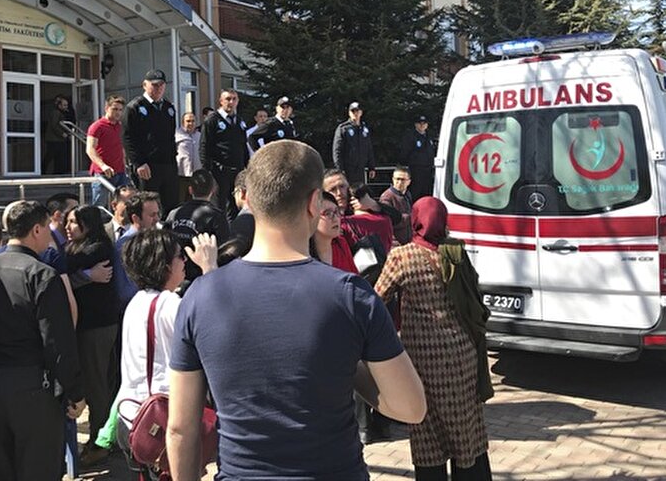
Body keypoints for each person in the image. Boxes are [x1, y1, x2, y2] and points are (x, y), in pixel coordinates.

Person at [167, 140, 427, 480]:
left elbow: (180, 429)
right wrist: (345, 362)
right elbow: (411, 407)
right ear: (314, 203)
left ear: (248, 200)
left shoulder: (199, 297)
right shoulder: (350, 296)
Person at [0, 200, 86, 481]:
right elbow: (57, 343)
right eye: (47, 228)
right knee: (38, 469)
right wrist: (74, 391)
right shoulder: (42, 275)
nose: (50, 235)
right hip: (33, 386)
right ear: (36, 230)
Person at [374, 197, 492, 481]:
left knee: (426, 428)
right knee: (466, 427)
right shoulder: (456, 252)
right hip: (463, 353)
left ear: (415, 220)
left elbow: (377, 299)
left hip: (423, 361)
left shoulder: (402, 257)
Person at [115, 230, 216, 476]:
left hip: (132, 416)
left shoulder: (136, 302)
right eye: (179, 256)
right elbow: (214, 330)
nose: (184, 261)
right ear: (164, 265)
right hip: (161, 422)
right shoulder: (171, 305)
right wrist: (210, 270)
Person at [64, 205, 122, 466]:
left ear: (87, 224)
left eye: (73, 222)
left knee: (96, 383)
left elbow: (64, 264)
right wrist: (86, 276)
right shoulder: (77, 247)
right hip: (87, 326)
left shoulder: (97, 248)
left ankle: (100, 442)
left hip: (97, 326)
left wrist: (80, 274)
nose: (68, 227)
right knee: (94, 381)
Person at [123, 69, 179, 214]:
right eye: (154, 85)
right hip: (147, 166)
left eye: (161, 85)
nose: (158, 88)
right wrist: (138, 162)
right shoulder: (134, 107)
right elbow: (128, 138)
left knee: (171, 206)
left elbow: (170, 136)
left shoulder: (169, 107)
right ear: (144, 85)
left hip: (168, 164)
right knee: (148, 206)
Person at [166, 169, 230, 281]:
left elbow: (164, 243)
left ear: (190, 190)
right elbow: (224, 250)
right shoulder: (217, 216)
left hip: (175, 274)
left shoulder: (174, 213)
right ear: (213, 190)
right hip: (203, 275)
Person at [200, 88, 248, 220]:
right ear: (221, 101)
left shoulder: (239, 121)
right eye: (228, 99)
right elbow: (204, 145)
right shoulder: (212, 120)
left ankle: (234, 230)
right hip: (219, 171)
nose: (231, 102)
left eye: (234, 99)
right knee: (219, 206)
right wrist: (207, 169)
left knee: (236, 205)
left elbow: (243, 145)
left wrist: (246, 165)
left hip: (237, 170)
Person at [323, 169, 401, 249]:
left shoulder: (360, 205)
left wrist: (373, 205)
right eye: (333, 189)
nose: (339, 193)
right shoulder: (322, 216)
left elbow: (397, 218)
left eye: (342, 186)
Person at [114, 191, 163, 309]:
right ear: (136, 218)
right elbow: (125, 292)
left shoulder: (157, 241)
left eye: (158, 214)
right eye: (152, 215)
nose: (157, 219)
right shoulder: (124, 246)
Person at [87, 95, 131, 209]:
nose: (118, 112)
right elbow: (90, 149)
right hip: (102, 172)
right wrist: (103, 165)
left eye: (120, 110)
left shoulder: (120, 127)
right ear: (106, 108)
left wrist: (125, 163)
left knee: (125, 204)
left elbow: (121, 147)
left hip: (120, 172)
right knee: (99, 206)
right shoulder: (97, 126)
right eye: (115, 109)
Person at [309, 191, 358, 274]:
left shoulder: (341, 243)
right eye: (328, 213)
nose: (335, 218)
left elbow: (355, 277)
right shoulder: (303, 253)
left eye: (336, 211)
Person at [333, 102, 376, 184]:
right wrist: (340, 169)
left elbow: (369, 148)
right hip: (347, 170)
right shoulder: (343, 128)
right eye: (353, 111)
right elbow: (337, 150)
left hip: (361, 170)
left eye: (357, 111)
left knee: (361, 190)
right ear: (349, 113)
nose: (355, 113)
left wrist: (371, 167)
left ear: (361, 112)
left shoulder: (364, 129)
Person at [399, 116, 435, 199]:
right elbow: (405, 152)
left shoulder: (429, 136)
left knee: (427, 193)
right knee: (415, 193)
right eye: (420, 123)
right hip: (416, 170)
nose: (422, 125)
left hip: (428, 170)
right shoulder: (410, 137)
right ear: (416, 124)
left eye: (424, 123)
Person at [379, 166, 413, 245]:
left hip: (408, 240)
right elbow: (389, 221)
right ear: (393, 179)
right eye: (397, 179)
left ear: (409, 182)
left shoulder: (407, 194)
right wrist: (411, 217)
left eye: (403, 179)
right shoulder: (386, 197)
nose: (400, 182)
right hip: (394, 243)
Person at [176, 111, 202, 203]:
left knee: (195, 200)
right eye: (188, 121)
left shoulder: (200, 136)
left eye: (193, 121)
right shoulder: (177, 135)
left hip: (196, 174)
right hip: (181, 174)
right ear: (183, 122)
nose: (191, 123)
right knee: (180, 200)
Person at [44, 96, 72, 175]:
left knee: (58, 157)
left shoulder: (61, 113)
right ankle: (43, 170)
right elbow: (54, 125)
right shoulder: (56, 112)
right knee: (51, 156)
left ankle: (57, 172)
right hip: (54, 139)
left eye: (67, 105)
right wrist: (63, 134)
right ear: (59, 105)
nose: (66, 107)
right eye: (64, 105)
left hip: (57, 139)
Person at [228, 169, 254, 252]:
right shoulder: (270, 216)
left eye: (234, 193)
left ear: (241, 192)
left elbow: (232, 253)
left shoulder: (242, 221)